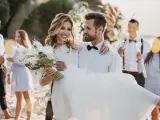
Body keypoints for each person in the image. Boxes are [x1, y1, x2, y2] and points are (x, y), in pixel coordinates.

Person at [41, 12, 160, 120]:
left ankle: (152, 99)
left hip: (99, 110)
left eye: (88, 28)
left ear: (99, 30)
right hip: (76, 104)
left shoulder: (112, 56)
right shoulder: (79, 49)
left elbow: (117, 86)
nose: (84, 31)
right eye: (84, 28)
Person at [41, 13, 109, 120]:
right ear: (56, 27)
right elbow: (42, 82)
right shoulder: (47, 51)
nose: (65, 32)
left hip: (77, 97)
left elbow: (96, 43)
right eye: (62, 28)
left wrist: (106, 43)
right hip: (59, 95)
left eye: (69, 29)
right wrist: (51, 76)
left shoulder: (76, 47)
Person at [6, 30, 33, 120]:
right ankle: (16, 118)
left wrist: (13, 60)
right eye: (16, 36)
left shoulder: (27, 48)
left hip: (23, 74)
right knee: (18, 99)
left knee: (27, 98)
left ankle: (28, 118)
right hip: (16, 75)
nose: (16, 38)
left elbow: (24, 63)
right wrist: (8, 75)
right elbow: (10, 64)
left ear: (23, 37)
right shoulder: (14, 47)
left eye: (18, 36)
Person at [117, 19, 146, 87]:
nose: (131, 29)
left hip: (139, 76)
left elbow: (148, 62)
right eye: (130, 27)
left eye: (134, 27)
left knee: (139, 97)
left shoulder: (144, 43)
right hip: (125, 75)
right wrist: (119, 54)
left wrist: (141, 59)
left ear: (138, 28)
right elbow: (115, 58)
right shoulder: (122, 42)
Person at [144, 37, 160, 120]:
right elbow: (140, 69)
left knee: (156, 113)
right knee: (154, 113)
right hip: (149, 88)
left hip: (158, 87)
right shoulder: (146, 55)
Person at [0, 33, 14, 119]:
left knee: (2, 91)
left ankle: (6, 114)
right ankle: (6, 114)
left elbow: (3, 51)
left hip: (2, 66)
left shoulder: (1, 36)